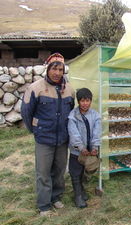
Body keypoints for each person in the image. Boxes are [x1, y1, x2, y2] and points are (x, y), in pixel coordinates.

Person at [21, 53, 75, 216]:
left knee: (59, 171)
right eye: (54, 68)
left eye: (60, 69)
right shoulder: (35, 88)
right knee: (43, 172)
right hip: (44, 138)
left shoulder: (70, 89)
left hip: (62, 139)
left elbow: (71, 112)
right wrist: (36, 131)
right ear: (48, 69)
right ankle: (44, 205)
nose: (57, 72)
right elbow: (26, 113)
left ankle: (55, 197)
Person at [68, 88, 101, 208]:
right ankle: (77, 195)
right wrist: (81, 147)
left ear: (91, 101)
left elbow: (97, 132)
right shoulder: (73, 116)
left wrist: (95, 147)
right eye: (82, 101)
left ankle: (81, 190)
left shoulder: (95, 115)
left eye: (87, 101)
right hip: (77, 151)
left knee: (84, 171)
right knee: (75, 171)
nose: (85, 103)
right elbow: (74, 134)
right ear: (78, 101)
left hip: (89, 150)